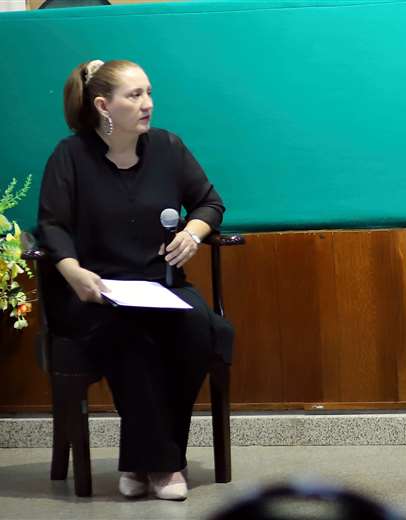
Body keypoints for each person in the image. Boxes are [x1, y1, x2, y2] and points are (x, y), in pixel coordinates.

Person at [37, 59, 233, 501]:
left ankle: (138, 461)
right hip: (96, 293)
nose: (148, 104)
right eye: (135, 96)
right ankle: (165, 468)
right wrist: (71, 270)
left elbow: (210, 204)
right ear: (104, 105)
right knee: (130, 333)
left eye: (149, 93)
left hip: (162, 285)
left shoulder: (168, 147)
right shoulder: (70, 155)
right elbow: (51, 224)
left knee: (197, 328)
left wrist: (192, 232)